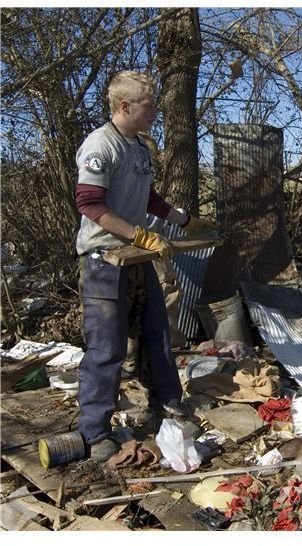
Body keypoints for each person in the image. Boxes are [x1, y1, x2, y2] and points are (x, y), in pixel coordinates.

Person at [74, 70, 211, 461]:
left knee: (156, 333)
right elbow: (90, 204)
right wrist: (140, 236)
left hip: (137, 257)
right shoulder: (101, 146)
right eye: (149, 107)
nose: (155, 113)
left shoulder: (137, 146)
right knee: (107, 348)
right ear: (125, 106)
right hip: (105, 259)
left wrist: (185, 221)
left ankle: (166, 402)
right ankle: (96, 431)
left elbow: (150, 199)